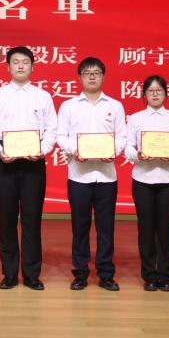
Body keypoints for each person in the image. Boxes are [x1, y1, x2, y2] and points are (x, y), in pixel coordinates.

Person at [0, 46, 57, 290]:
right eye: (16, 62)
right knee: (6, 219)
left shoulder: (43, 97)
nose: (21, 65)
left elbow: (52, 129)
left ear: (32, 66)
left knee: (32, 219)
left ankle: (32, 274)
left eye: (25, 62)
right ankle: (10, 273)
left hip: (34, 163)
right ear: (8, 67)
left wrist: (42, 150)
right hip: (5, 161)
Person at [55, 57, 126, 292]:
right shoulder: (69, 106)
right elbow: (61, 136)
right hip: (79, 176)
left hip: (106, 176)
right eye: (87, 73)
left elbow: (122, 137)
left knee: (106, 228)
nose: (92, 76)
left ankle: (106, 274)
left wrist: (113, 151)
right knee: (80, 227)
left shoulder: (115, 106)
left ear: (103, 76)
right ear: (80, 77)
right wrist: (74, 150)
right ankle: (80, 273)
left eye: (96, 72)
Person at [124, 75, 169, 292]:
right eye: (150, 91)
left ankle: (165, 275)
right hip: (142, 179)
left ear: (165, 93)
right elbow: (128, 147)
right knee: (145, 228)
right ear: (144, 94)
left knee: (166, 229)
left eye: (159, 90)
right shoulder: (135, 118)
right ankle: (149, 275)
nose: (155, 94)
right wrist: (138, 155)